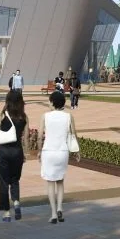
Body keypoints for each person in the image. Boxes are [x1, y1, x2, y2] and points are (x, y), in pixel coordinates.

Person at [40, 88, 76, 224]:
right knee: (60, 181)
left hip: (48, 151)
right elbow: (73, 135)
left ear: (52, 103)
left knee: (50, 183)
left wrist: (38, 150)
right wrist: (77, 151)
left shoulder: (45, 116)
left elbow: (39, 136)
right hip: (63, 152)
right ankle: (60, 207)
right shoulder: (68, 116)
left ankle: (54, 213)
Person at [0, 89, 27, 222]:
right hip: (17, 151)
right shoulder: (23, 117)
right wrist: (24, 153)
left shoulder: (3, 114)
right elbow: (25, 138)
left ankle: (7, 213)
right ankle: (16, 202)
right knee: (15, 179)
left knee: (3, 181)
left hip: (3, 152)